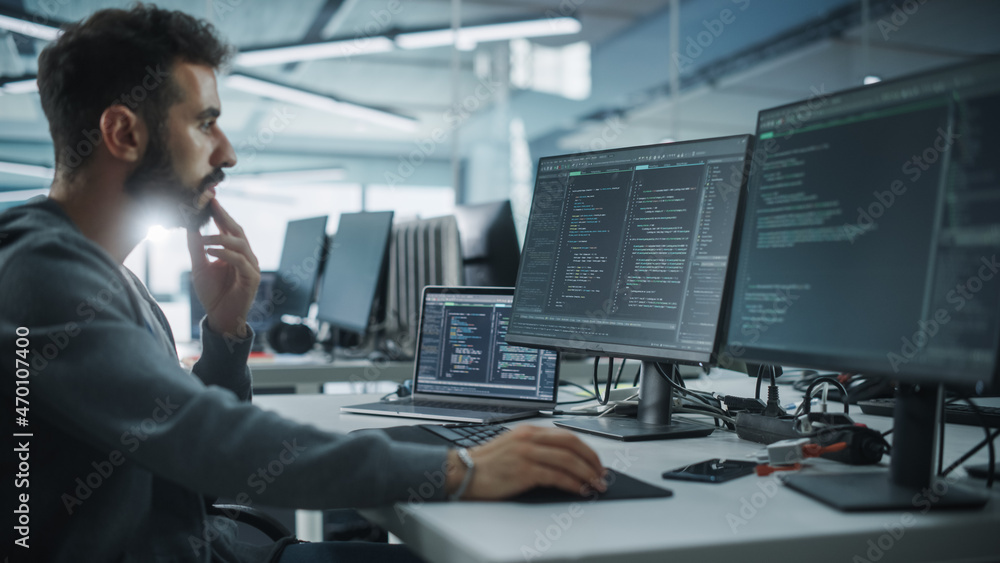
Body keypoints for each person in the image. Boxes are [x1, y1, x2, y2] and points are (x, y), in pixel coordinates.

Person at [0, 5, 606, 562]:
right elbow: (208, 442)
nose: (228, 153)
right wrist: (462, 470)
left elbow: (180, 453)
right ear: (124, 133)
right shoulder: (42, 275)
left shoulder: (100, 272)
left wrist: (226, 329)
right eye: (206, 123)